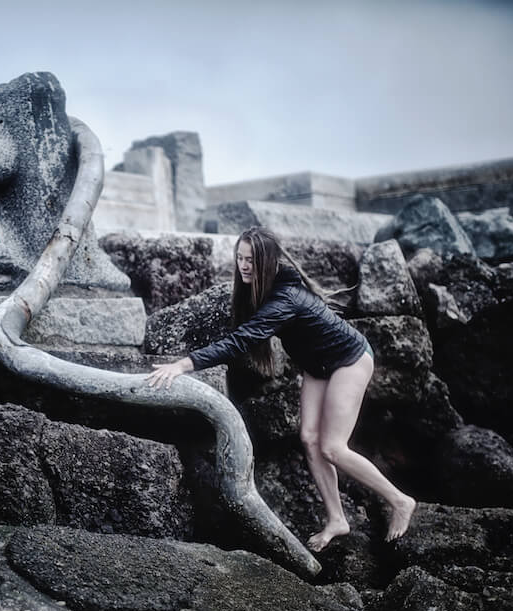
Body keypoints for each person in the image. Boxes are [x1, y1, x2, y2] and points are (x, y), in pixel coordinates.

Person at [146, 227, 415, 551]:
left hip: (350, 359)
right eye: (240, 258)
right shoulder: (267, 289)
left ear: (269, 261)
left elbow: (240, 341)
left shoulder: (283, 298)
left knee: (332, 447)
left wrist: (183, 364)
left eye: (251, 260)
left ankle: (400, 501)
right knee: (309, 439)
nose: (244, 266)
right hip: (318, 365)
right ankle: (337, 520)